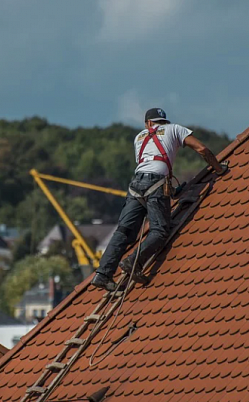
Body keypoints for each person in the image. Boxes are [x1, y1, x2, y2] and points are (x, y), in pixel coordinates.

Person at [90, 107, 228, 291]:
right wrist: (219, 169)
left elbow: (148, 163)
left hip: (135, 185)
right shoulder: (175, 129)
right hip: (156, 183)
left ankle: (102, 274)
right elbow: (201, 149)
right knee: (160, 230)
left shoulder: (139, 137)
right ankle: (133, 261)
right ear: (164, 121)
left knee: (123, 231)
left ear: (148, 123)